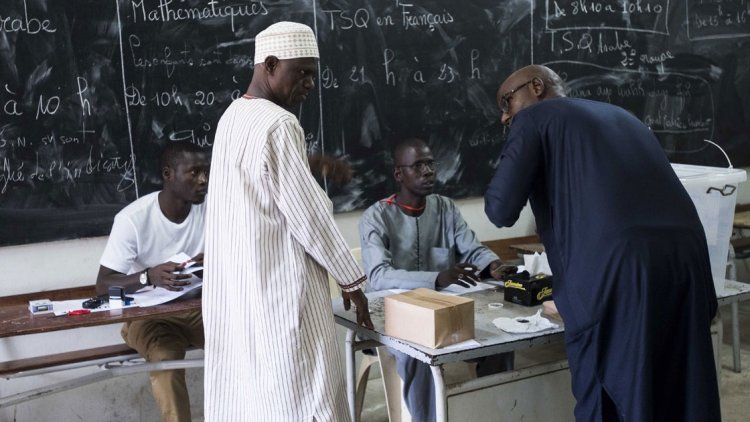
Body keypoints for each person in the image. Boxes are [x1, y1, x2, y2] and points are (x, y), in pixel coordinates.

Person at [485, 64, 720, 421]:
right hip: (687, 262)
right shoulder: (623, 117)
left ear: (536, 86)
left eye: (507, 101)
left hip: (619, 272)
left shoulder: (534, 119)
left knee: (609, 393)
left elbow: (500, 209)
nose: (505, 117)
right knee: (678, 388)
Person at [203, 21, 373, 421]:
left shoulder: (233, 115)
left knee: (253, 398)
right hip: (280, 289)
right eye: (302, 72)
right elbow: (308, 215)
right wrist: (352, 279)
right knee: (303, 396)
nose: (310, 83)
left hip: (243, 286)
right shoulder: (279, 124)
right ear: (271, 65)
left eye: (314, 73)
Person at [359, 138, 516, 422]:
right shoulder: (377, 216)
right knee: (418, 351)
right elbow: (379, 276)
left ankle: (493, 412)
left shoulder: (445, 208)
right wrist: (437, 278)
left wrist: (491, 264)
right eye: (418, 166)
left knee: (500, 343)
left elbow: (473, 248)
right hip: (391, 317)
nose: (428, 171)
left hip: (440, 310)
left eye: (431, 164)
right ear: (399, 174)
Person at [96, 140, 209, 422]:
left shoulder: (213, 207)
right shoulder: (133, 219)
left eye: (205, 172)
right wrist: (149, 276)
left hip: (198, 309)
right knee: (165, 363)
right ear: (168, 174)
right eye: (194, 173)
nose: (203, 180)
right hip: (150, 317)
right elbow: (102, 285)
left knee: (246, 343)